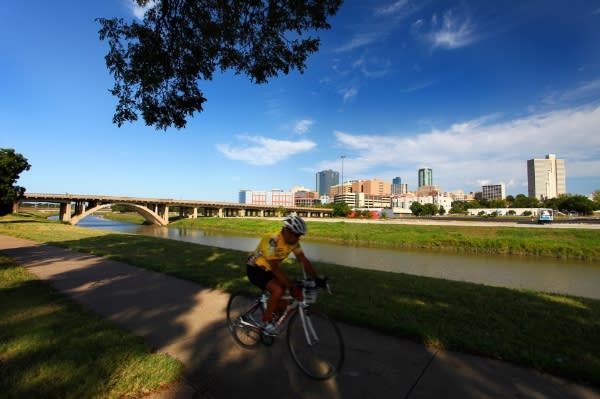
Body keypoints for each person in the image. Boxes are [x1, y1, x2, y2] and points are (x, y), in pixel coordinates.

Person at [246, 215, 323, 335]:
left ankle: (274, 316)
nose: (298, 238)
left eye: (300, 236)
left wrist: (317, 279)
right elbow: (275, 268)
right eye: (296, 235)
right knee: (278, 290)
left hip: (269, 269)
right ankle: (265, 323)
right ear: (287, 231)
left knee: (285, 294)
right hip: (255, 268)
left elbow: (303, 260)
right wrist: (292, 287)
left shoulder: (294, 242)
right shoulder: (273, 240)